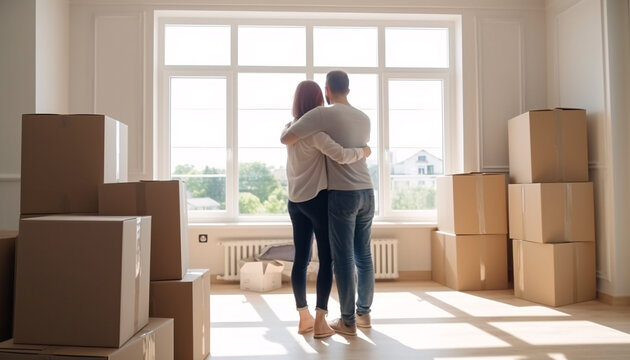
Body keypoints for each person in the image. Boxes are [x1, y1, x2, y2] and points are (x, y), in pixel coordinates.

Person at [281, 70, 375, 336]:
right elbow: (345, 151)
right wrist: (366, 151)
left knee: (309, 258)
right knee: (354, 257)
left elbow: (286, 138)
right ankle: (356, 316)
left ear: (328, 89)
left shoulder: (301, 124)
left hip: (310, 198)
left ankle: (318, 318)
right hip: (354, 192)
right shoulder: (357, 120)